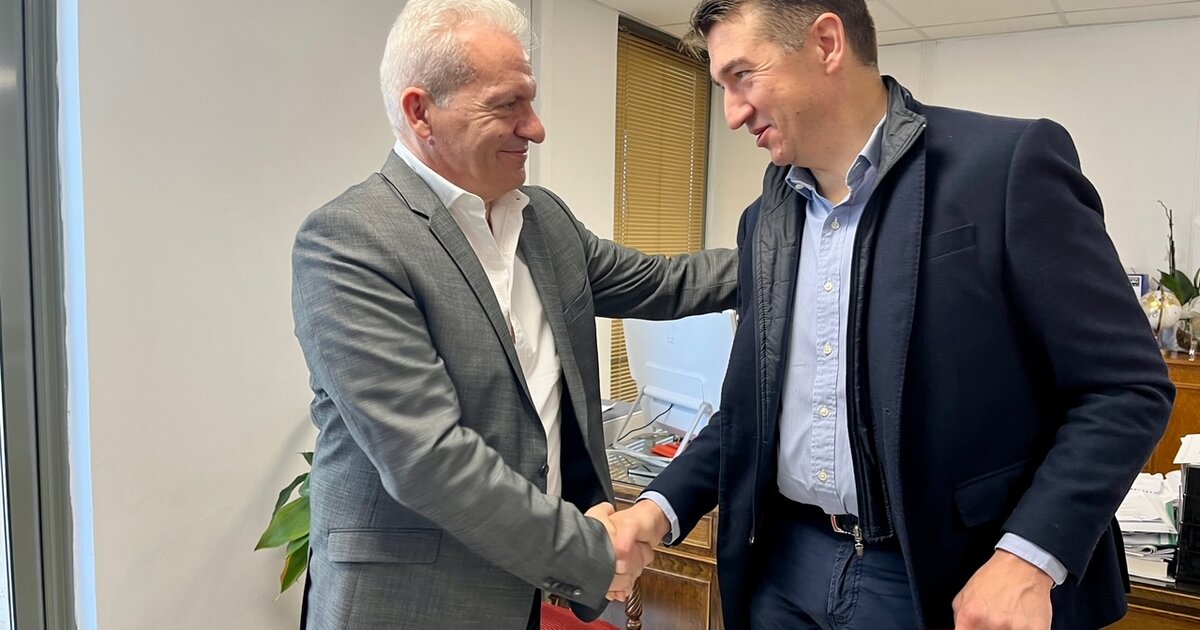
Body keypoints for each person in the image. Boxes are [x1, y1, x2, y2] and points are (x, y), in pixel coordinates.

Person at [611, 1, 1174, 628]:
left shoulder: (1006, 167)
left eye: (743, 75)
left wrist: (1027, 559)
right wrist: (656, 509)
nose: (733, 113)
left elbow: (1126, 388)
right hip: (783, 569)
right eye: (722, 86)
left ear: (827, 43)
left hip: (939, 577)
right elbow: (752, 412)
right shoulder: (764, 220)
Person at [289, 0, 737, 628]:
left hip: (518, 592)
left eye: (531, 101)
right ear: (421, 112)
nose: (536, 128)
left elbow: (665, 284)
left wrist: (789, 255)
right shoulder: (351, 242)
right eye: (508, 104)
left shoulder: (543, 221)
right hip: (405, 604)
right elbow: (428, 459)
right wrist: (592, 553)